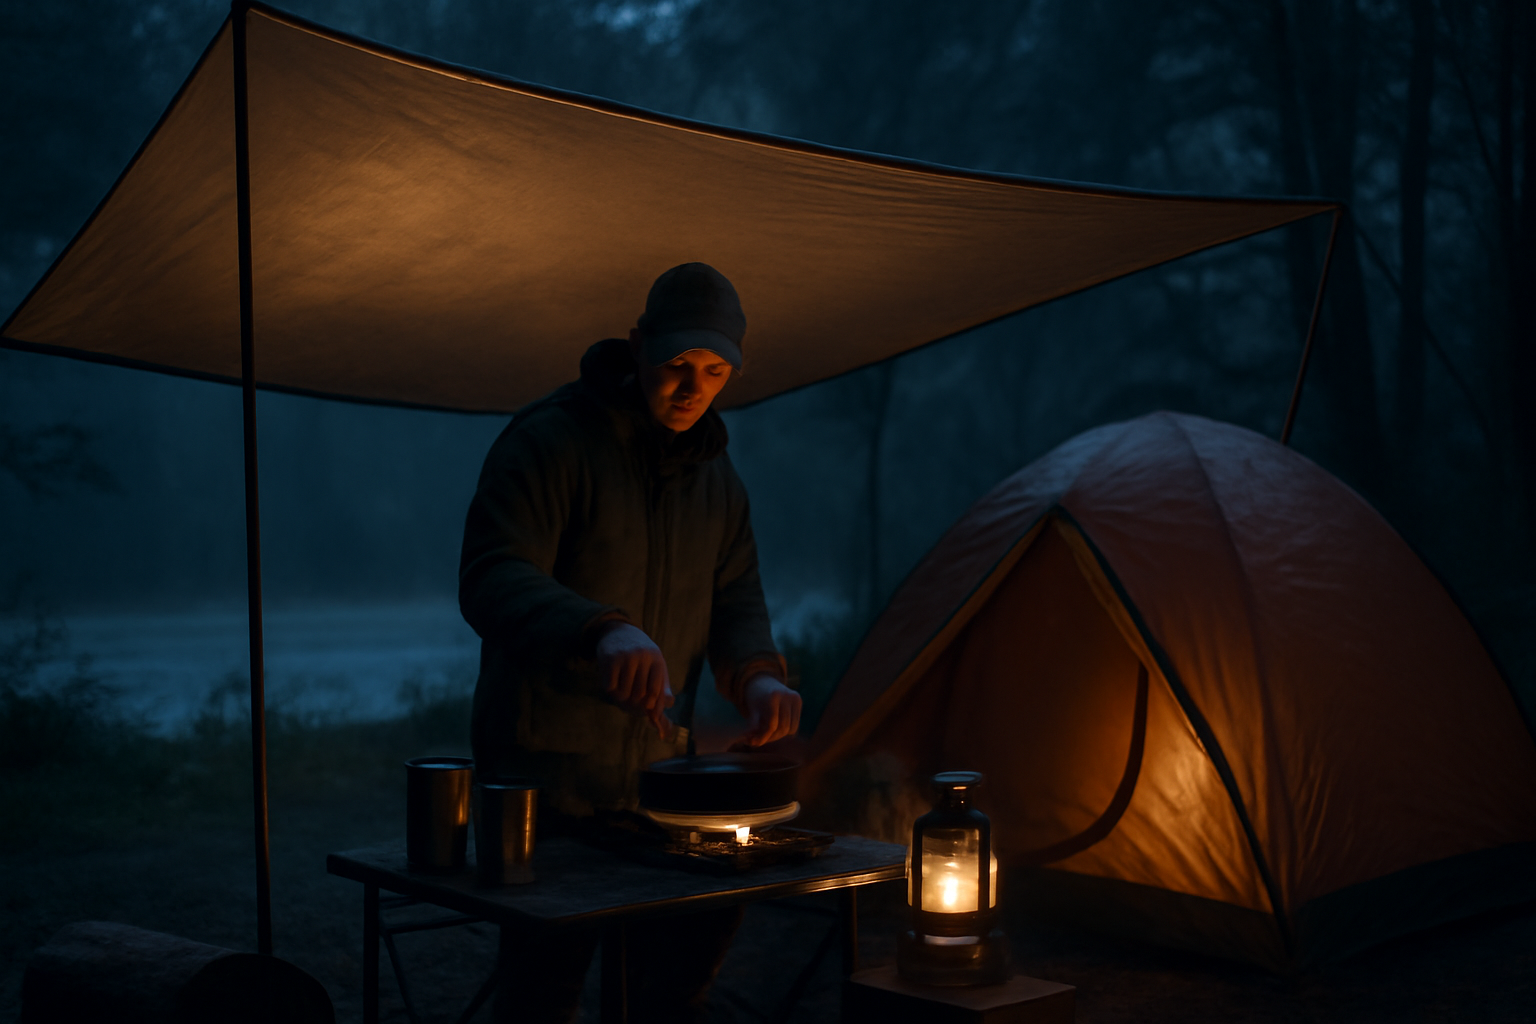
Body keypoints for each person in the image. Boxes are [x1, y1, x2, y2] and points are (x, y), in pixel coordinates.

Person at [459, 262, 802, 1023]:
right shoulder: (551, 443)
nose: (693, 388)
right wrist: (601, 629)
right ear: (637, 343)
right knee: (543, 990)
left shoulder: (720, 483)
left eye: (714, 372)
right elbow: (491, 573)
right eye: (677, 365)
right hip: (541, 784)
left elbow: (737, 599)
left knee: (679, 969)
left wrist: (756, 677)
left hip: (657, 791)